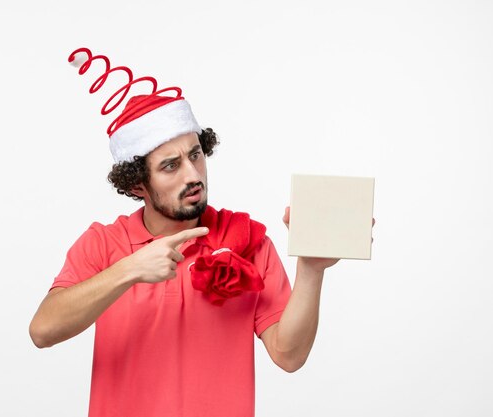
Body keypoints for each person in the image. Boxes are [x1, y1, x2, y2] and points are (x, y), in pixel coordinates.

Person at [29, 47, 373, 417]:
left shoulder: (249, 240)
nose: (192, 175)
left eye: (195, 155)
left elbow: (289, 356)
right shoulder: (103, 243)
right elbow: (43, 331)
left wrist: (311, 268)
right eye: (170, 166)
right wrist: (130, 269)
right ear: (137, 186)